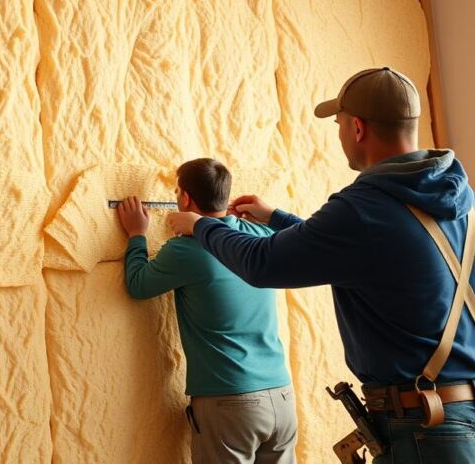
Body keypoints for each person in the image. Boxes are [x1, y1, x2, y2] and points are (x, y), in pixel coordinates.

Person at [167, 67, 475, 463]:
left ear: (358, 129)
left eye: (339, 124)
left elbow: (262, 264)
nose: (340, 133)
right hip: (456, 414)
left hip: (421, 426)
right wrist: (276, 217)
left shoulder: (365, 208)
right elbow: (352, 249)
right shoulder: (453, 203)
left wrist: (204, 226)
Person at [118, 158, 297, 464]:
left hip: (230, 401)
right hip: (281, 396)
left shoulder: (185, 250)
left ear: (185, 198)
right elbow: (304, 238)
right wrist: (271, 217)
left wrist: (137, 234)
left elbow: (137, 285)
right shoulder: (259, 236)